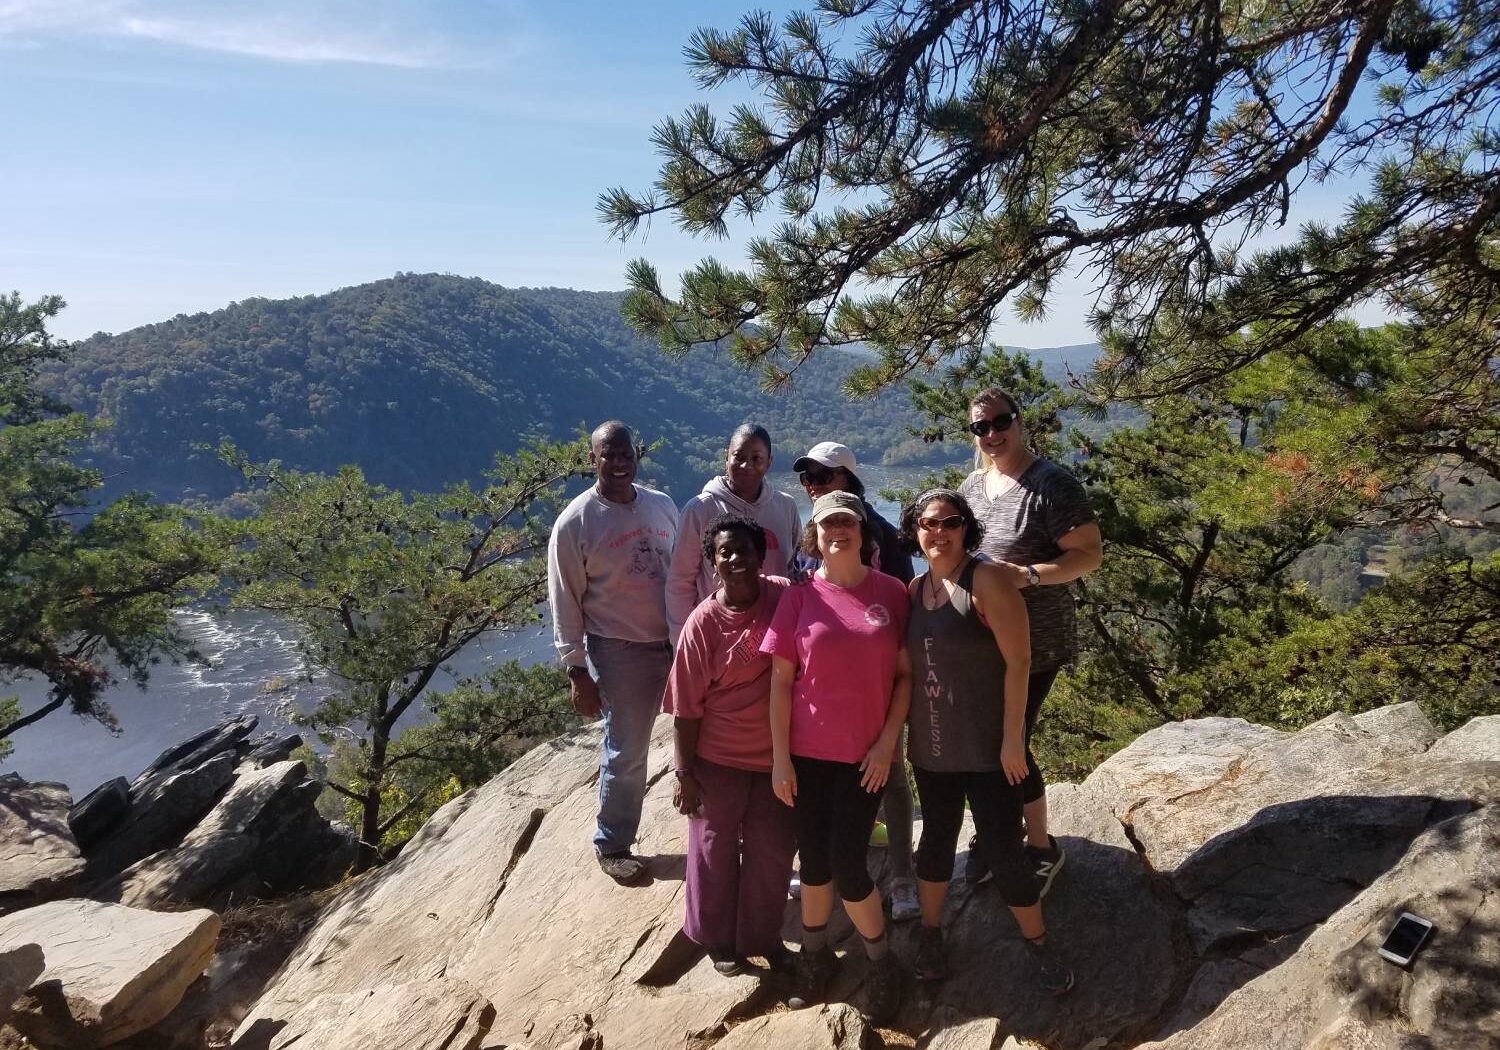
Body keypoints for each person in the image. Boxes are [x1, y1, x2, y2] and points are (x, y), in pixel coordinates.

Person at [902, 488, 1073, 995]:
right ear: (915, 531)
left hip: (987, 748)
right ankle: (930, 933)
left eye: (949, 522)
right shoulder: (915, 590)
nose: (938, 532)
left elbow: (1021, 662)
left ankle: (1038, 943)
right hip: (933, 746)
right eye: (928, 523)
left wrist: (1013, 740)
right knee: (934, 841)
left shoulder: (988, 579)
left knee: (1003, 848)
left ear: (966, 528)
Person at [763, 491, 912, 1024]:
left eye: (847, 522)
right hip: (806, 756)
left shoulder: (892, 594)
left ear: (862, 531)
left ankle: (881, 962)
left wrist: (887, 743)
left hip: (864, 759)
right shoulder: (799, 598)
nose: (837, 532)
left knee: (850, 861)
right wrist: (781, 760)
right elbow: (781, 684)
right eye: (827, 525)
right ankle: (815, 957)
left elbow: (905, 677)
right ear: (815, 537)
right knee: (816, 862)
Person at [957, 388, 1102, 894]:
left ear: (1019, 422)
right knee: (986, 739)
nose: (992, 434)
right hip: (984, 639)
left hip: (1037, 639)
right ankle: (997, 833)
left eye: (1000, 422)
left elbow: (1088, 554)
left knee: (1010, 739)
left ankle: (1040, 847)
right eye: (981, 427)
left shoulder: (1051, 483)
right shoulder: (973, 486)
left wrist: (1030, 576)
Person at [790, 441, 919, 923]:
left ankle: (903, 876)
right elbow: (796, 593)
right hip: (824, 690)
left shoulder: (881, 536)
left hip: (879, 683)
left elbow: (905, 605)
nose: (814, 485)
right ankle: (822, 865)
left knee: (891, 773)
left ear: (849, 480)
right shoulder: (812, 538)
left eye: (824, 476)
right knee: (828, 783)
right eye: (808, 478)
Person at [662, 515, 797, 976]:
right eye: (725, 552)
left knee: (773, 851)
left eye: (745, 550)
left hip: (776, 760)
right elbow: (685, 709)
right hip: (718, 759)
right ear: (712, 562)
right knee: (712, 852)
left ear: (761, 556)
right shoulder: (702, 626)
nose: (737, 559)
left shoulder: (783, 596)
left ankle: (763, 936)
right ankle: (716, 940)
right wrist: (685, 774)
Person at [547, 421, 678, 885]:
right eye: (609, 454)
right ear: (593, 460)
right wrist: (576, 670)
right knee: (628, 749)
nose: (619, 462)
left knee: (704, 733)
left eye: (626, 454)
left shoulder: (661, 506)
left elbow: (684, 573)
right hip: (620, 648)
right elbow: (564, 600)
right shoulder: (576, 522)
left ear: (637, 455)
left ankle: (713, 827)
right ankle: (613, 842)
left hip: (677, 642)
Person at [666, 424, 801, 645]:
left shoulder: (785, 507)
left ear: (769, 462)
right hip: (719, 636)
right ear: (725, 457)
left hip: (775, 631)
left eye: (757, 458)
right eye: (739, 457)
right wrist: (682, 641)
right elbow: (680, 582)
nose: (747, 465)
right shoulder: (700, 509)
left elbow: (792, 566)